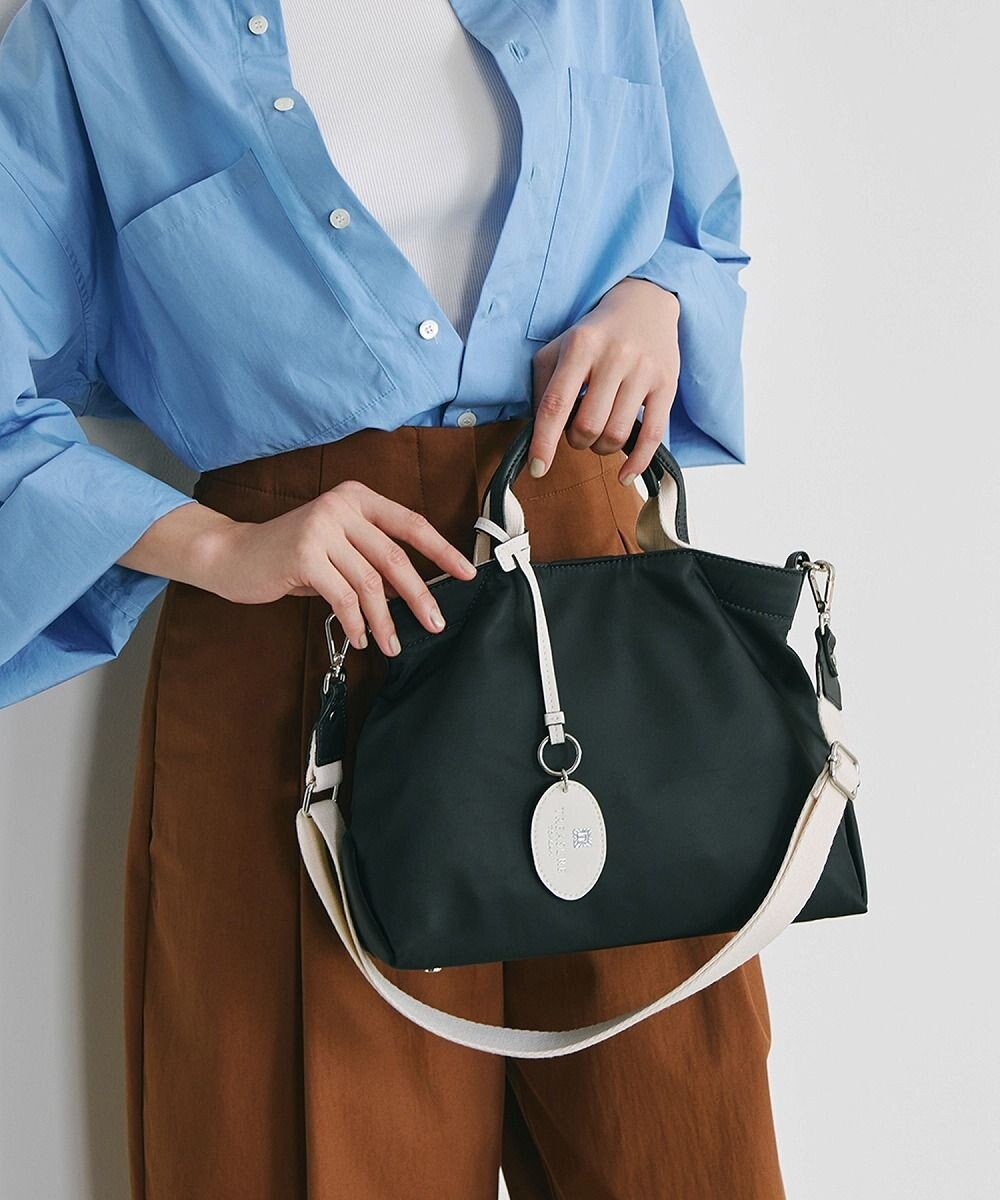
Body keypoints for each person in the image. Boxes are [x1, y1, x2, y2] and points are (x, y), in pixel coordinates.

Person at [0, 0, 781, 1195]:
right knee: (311, 1154)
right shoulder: (103, 25)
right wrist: (220, 546)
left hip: (599, 610)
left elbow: (699, 234)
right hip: (298, 634)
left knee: (677, 1140)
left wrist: (657, 301)